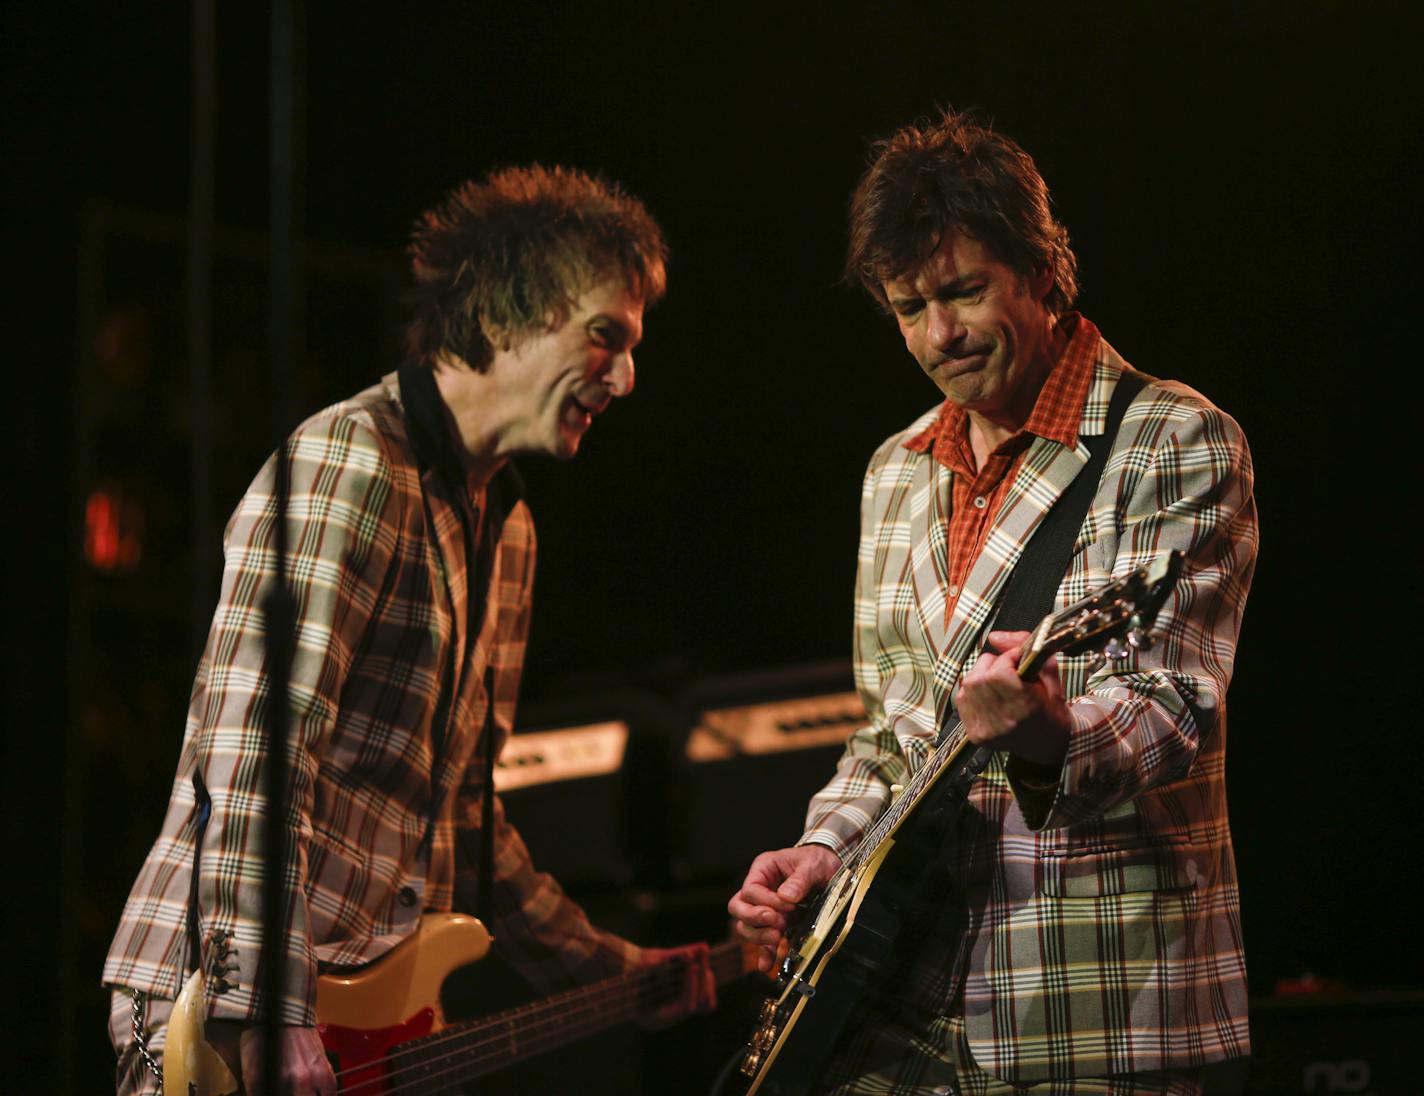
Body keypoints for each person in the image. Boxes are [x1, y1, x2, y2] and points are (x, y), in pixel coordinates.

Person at [104, 165, 714, 1095]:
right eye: (605, 339)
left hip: (356, 1015)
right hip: (229, 1009)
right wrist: (272, 999)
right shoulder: (351, 461)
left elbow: (466, 818)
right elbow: (257, 747)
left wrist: (604, 967)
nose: (626, 379)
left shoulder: (508, 529)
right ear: (515, 312)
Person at [729, 110, 1257, 1095]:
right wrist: (818, 848)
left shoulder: (1174, 439)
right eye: (906, 305)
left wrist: (1050, 730)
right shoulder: (893, 470)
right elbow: (893, 736)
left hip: (1102, 1001)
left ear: (1043, 272)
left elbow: (1172, 708)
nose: (940, 334)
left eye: (964, 291)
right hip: (902, 998)